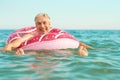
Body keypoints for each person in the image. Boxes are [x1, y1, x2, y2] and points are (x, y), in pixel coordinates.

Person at [1, 13, 93, 56]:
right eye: (39, 23)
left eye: (44, 23)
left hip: (55, 56)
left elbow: (77, 43)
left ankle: (82, 56)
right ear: (35, 25)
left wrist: (94, 50)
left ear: (49, 24)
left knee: (69, 53)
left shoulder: (57, 35)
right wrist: (14, 54)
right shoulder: (31, 35)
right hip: (34, 55)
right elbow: (9, 46)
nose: (42, 26)